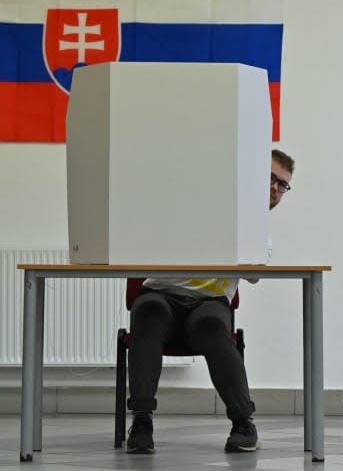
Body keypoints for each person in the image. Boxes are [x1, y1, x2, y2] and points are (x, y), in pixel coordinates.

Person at [125, 149, 295, 454]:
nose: (274, 188)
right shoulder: (197, 205)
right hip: (161, 295)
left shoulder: (260, 233)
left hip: (208, 304)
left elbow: (254, 273)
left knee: (213, 326)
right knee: (148, 312)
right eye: (270, 178)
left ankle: (244, 424)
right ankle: (141, 421)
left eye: (282, 185)